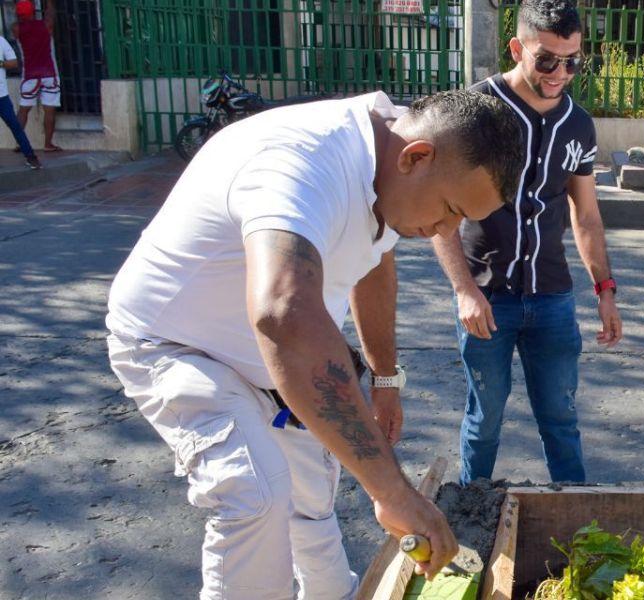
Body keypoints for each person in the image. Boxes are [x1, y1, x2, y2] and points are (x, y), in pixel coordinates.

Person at [105, 89, 524, 598]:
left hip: (269, 355)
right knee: (254, 493)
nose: (445, 229)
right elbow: (284, 312)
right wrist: (393, 490)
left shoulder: (389, 163)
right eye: (450, 210)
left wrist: (385, 377)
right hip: (180, 343)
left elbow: (373, 265)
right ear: (416, 158)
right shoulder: (299, 164)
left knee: (310, 496)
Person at [432, 0, 623, 486]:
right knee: (485, 423)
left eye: (573, 61)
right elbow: (440, 216)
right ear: (518, 48)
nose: (560, 72)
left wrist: (605, 290)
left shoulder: (579, 124)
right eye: (547, 60)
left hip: (553, 299)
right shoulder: (475, 113)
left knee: (561, 420)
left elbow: (587, 216)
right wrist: (463, 291)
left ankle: (580, 529)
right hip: (487, 299)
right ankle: (472, 520)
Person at [11, 0, 60, 153]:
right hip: (49, 73)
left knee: (23, 110)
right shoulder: (46, 25)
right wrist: (50, 3)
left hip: (29, 75)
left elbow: (18, 20)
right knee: (49, 111)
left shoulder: (16, 28)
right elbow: (51, 12)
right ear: (33, 11)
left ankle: (21, 143)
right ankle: (48, 144)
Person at [1, 34, 40, 169]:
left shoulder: (0, 41)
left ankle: (30, 156)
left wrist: (0, 63)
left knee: (15, 125)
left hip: (1, 96)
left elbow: (14, 62)